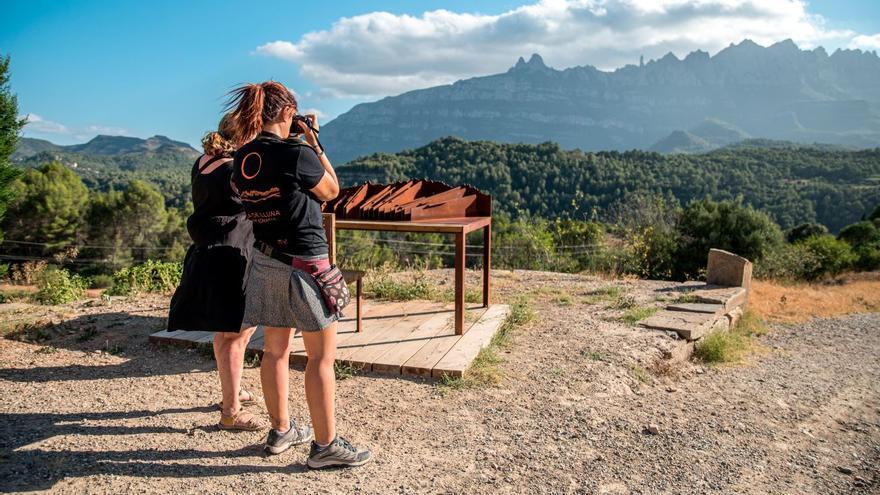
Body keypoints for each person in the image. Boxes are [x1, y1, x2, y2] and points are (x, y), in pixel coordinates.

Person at [227, 81, 371, 468]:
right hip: (306, 263)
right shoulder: (297, 153)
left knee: (275, 351)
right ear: (288, 113)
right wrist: (314, 142)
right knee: (321, 359)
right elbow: (331, 191)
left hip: (266, 260)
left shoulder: (242, 157)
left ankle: (281, 430)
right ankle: (325, 446)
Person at [167, 115, 266, 431]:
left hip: (208, 250)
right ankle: (231, 412)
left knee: (224, 332)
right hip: (233, 253)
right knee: (239, 333)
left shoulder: (202, 161)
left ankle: (232, 393)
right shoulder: (237, 168)